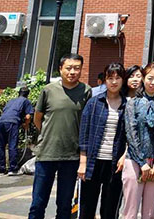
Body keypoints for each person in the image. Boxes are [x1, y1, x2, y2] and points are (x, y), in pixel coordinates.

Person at [29, 54, 92, 219]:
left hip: (71, 156)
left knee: (64, 205)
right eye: (68, 68)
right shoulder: (48, 90)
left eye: (76, 68)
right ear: (60, 69)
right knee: (37, 204)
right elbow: (38, 118)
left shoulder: (86, 91)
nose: (72, 72)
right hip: (46, 153)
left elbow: (87, 122)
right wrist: (47, 135)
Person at [78, 63, 127, 219]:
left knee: (110, 208)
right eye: (110, 78)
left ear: (123, 80)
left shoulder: (127, 105)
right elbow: (84, 133)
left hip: (115, 163)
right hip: (93, 161)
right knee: (87, 206)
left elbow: (130, 136)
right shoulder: (94, 103)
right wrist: (83, 162)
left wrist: (124, 155)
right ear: (105, 80)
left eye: (118, 78)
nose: (114, 82)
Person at [122, 62, 154, 219]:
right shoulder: (133, 103)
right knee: (130, 211)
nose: (153, 82)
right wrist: (142, 162)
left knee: (150, 213)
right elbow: (131, 134)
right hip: (135, 161)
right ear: (143, 78)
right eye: (150, 78)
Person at [0, 86, 33, 175]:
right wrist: (26, 125)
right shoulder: (26, 101)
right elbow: (28, 116)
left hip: (1, 122)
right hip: (12, 122)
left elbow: (5, 111)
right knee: (12, 145)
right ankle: (13, 169)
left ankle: (1, 169)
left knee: (0, 145)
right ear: (27, 95)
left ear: (18, 93)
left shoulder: (11, 101)